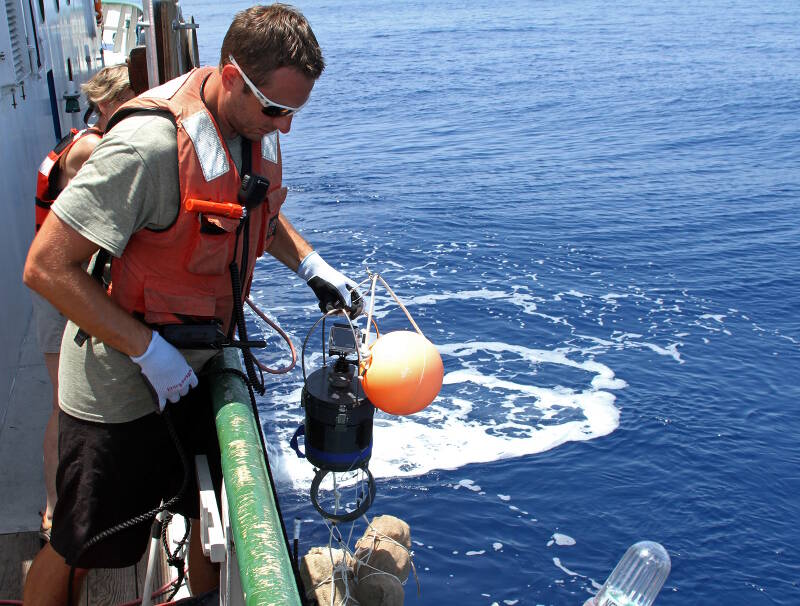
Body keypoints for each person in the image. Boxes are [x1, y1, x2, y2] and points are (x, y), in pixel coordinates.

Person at [22, 4, 362, 604]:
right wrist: (148, 350)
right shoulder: (147, 147)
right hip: (118, 384)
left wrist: (312, 267)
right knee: (84, 544)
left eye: (295, 112)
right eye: (276, 109)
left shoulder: (249, 127)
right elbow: (47, 267)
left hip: (198, 365)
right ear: (232, 76)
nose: (285, 127)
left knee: (208, 512)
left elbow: (253, 211)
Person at [30, 63, 134, 543]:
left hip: (58, 290)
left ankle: (57, 503)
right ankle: (56, 507)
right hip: (61, 291)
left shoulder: (76, 139)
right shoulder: (93, 149)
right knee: (63, 403)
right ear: (112, 103)